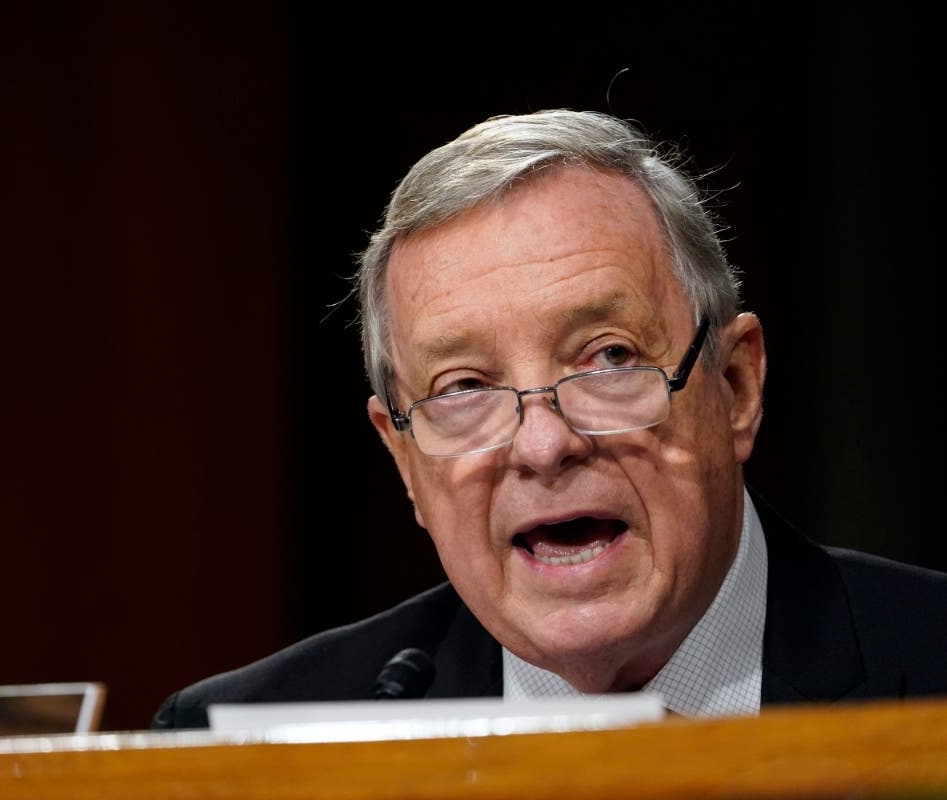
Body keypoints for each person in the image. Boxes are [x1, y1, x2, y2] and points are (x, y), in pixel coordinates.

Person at [151, 109, 947, 728]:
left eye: (608, 358)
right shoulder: (238, 748)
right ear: (404, 463)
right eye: (462, 387)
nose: (542, 444)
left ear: (735, 386)